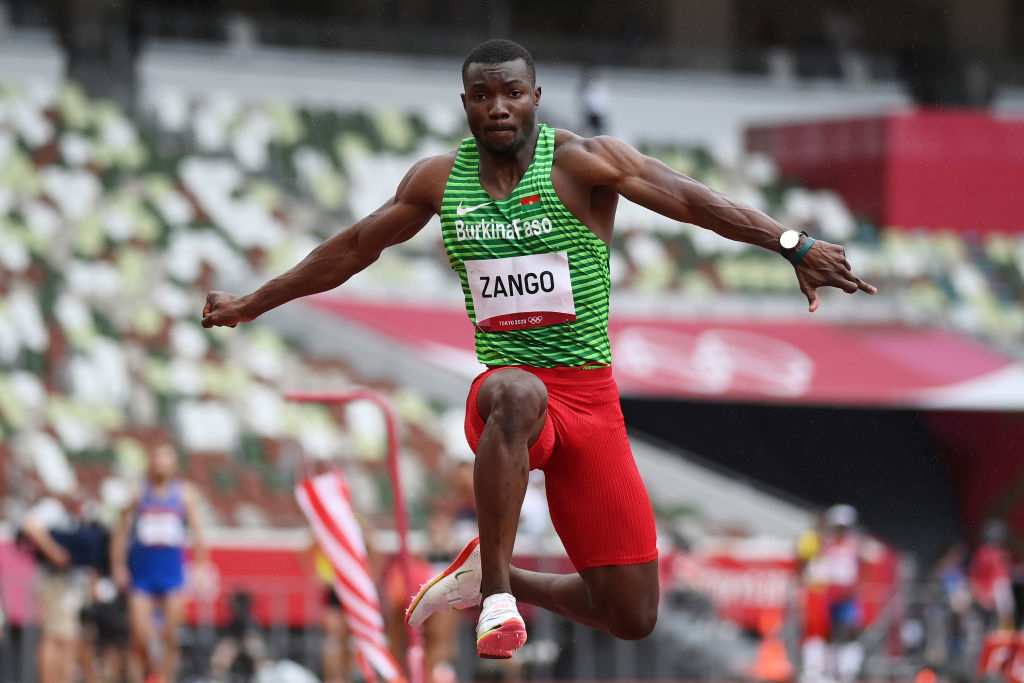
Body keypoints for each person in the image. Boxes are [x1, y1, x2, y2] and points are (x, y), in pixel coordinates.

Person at [202, 39, 876, 660]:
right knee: (518, 390)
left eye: (512, 92)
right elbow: (352, 249)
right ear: (465, 103)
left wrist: (792, 243)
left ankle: (494, 576)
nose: (498, 106)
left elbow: (690, 200)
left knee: (633, 611)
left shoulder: (583, 162)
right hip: (510, 397)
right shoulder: (440, 181)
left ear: (536, 97)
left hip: (591, 404)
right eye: (483, 95)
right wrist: (254, 301)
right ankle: (498, 598)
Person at [110, 443, 209, 683]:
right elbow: (121, 531)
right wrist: (118, 565)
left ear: (174, 465)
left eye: (167, 459)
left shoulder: (185, 494)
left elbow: (198, 534)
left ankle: (163, 677)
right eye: (158, 459)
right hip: (142, 571)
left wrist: (200, 567)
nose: (162, 464)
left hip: (172, 572)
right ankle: (148, 674)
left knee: (172, 635)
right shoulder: (138, 493)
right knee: (140, 635)